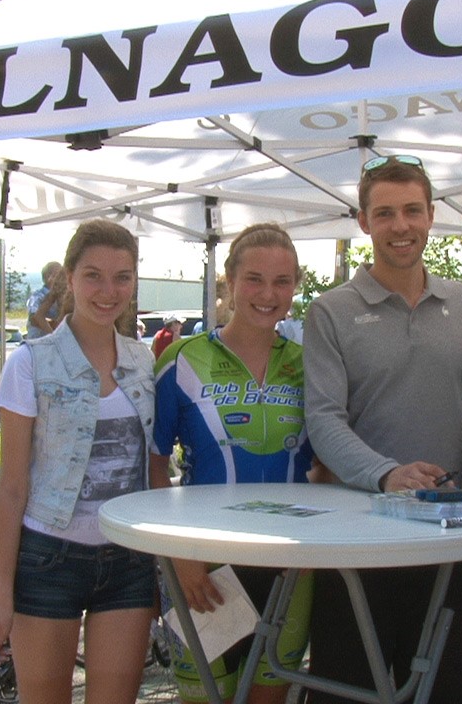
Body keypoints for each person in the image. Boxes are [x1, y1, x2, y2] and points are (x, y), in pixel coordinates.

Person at [303, 154, 462, 702]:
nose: (400, 226)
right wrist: (387, 476)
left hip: (447, 532)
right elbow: (323, 418)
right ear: (363, 222)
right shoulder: (330, 311)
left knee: (446, 686)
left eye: (412, 211)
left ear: (432, 215)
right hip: (356, 537)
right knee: (351, 689)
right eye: (384, 214)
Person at [0, 219, 160, 704]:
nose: (108, 290)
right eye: (94, 275)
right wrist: (3, 599)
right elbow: (12, 487)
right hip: (48, 557)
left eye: (122, 277)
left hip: (128, 560)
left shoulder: (143, 361)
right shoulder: (31, 363)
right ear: (71, 279)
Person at [151, 223, 315, 704]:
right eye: (254, 279)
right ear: (229, 280)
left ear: (296, 285)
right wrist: (179, 557)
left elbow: (329, 461)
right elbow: (154, 464)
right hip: (205, 563)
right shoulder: (182, 358)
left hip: (292, 564)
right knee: (208, 696)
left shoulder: (311, 363)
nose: (268, 294)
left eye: (282, 282)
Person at [26, 260, 65, 339]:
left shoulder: (63, 296)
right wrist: (53, 334)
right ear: (48, 277)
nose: (63, 279)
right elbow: (34, 318)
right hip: (38, 341)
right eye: (59, 275)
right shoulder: (37, 296)